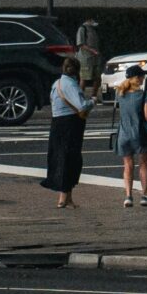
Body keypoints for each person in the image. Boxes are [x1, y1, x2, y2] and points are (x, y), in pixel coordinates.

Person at [40, 56, 93, 209]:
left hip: (57, 123)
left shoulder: (56, 84)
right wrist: (92, 101)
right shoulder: (70, 85)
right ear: (76, 71)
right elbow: (81, 106)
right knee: (69, 159)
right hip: (70, 124)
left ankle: (67, 197)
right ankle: (63, 198)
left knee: (60, 157)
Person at [112, 63, 147, 207]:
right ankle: (144, 195)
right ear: (137, 78)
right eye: (142, 76)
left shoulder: (120, 94)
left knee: (128, 165)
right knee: (143, 163)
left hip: (123, 133)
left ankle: (128, 196)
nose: (143, 78)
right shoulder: (144, 95)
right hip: (139, 133)